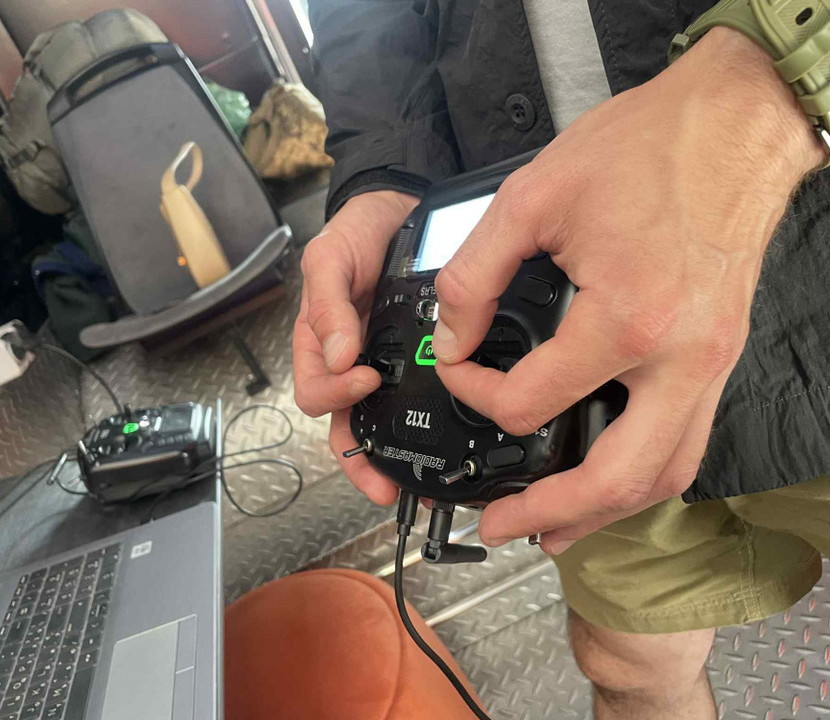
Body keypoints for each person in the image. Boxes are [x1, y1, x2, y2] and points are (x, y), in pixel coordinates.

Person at [292, 1, 830, 719]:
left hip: (811, 262)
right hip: (539, 353)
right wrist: (385, 169)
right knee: (629, 668)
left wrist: (771, 72)